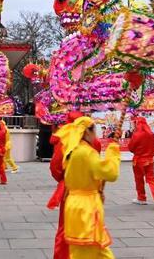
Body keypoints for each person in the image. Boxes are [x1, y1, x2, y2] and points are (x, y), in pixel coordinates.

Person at [53, 116, 120, 258]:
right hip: (86, 208)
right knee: (92, 251)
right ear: (87, 132)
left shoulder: (71, 150)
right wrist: (113, 151)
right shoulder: (87, 153)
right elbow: (110, 173)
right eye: (94, 130)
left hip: (73, 205)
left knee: (86, 251)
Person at [48, 111, 102, 259]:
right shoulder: (94, 142)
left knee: (65, 228)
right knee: (91, 227)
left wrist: (63, 179)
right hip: (92, 191)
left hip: (71, 191)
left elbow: (55, 168)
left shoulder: (65, 140)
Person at [128, 117, 154, 210]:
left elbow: (131, 148)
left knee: (139, 179)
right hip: (150, 160)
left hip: (138, 160)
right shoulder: (151, 134)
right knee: (152, 179)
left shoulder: (136, 135)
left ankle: (142, 198)